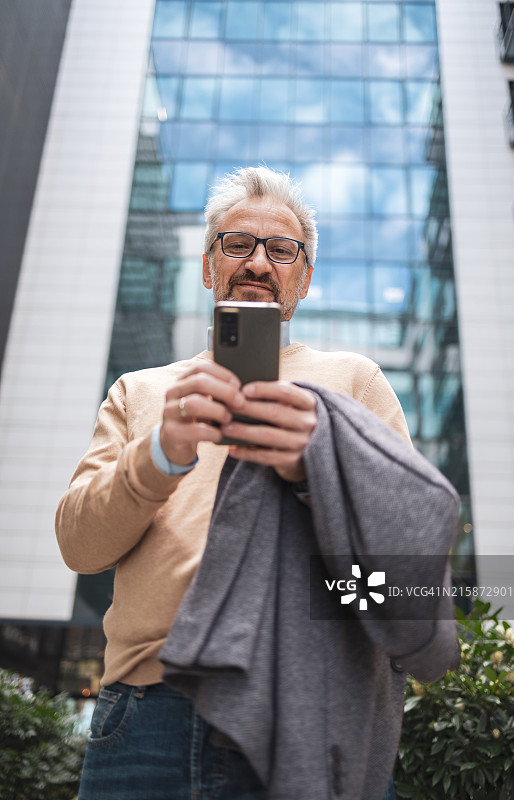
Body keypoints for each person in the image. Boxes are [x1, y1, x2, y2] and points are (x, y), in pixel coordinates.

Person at [56, 167, 429, 800]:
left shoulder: (355, 382)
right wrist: (161, 452)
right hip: (147, 713)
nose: (258, 263)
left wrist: (315, 473)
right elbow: (79, 546)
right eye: (237, 244)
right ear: (208, 267)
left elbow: (407, 563)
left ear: (304, 277)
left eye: (281, 250)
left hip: (308, 711)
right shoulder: (141, 392)